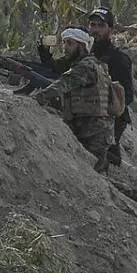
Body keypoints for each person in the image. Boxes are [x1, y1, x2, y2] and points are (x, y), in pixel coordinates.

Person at [25, 28, 115, 172]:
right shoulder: (89, 64)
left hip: (94, 133)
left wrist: (37, 98)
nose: (65, 47)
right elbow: (55, 69)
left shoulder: (86, 66)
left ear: (81, 46)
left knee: (92, 177)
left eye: (69, 44)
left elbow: (62, 85)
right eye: (64, 43)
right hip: (89, 129)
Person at [88, 7, 134, 167]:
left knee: (99, 156)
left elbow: (128, 95)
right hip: (87, 111)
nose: (95, 30)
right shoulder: (86, 54)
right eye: (93, 25)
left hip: (111, 117)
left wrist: (107, 109)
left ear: (111, 29)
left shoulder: (118, 59)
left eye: (101, 26)